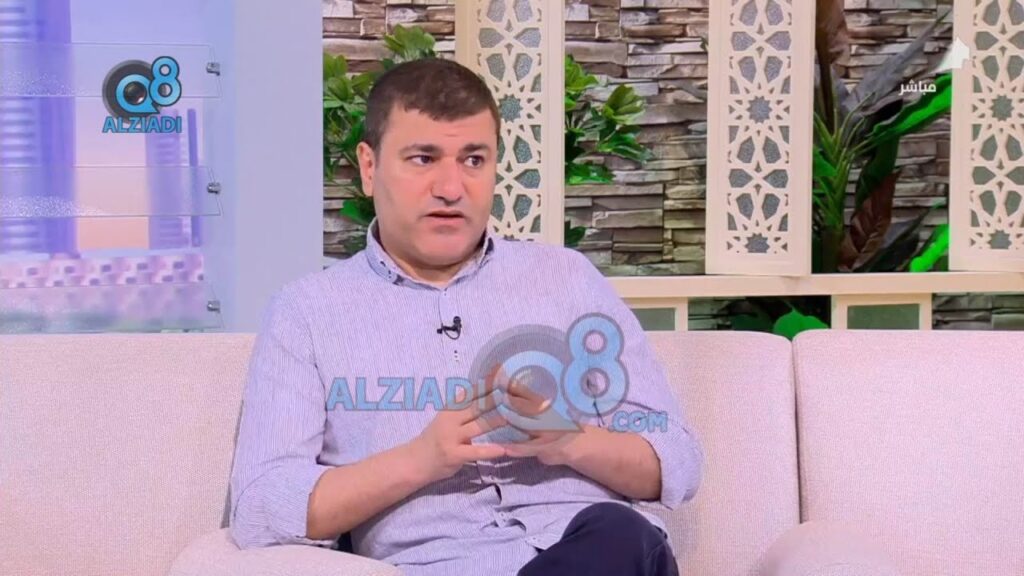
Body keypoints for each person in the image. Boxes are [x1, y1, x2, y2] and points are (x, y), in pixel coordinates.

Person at [229, 57, 703, 576]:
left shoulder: (567, 279)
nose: (451, 188)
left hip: (601, 553)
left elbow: (676, 460)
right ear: (369, 167)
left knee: (618, 533)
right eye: (423, 158)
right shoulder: (306, 312)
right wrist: (420, 459)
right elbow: (261, 508)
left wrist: (570, 440)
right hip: (438, 566)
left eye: (473, 160)